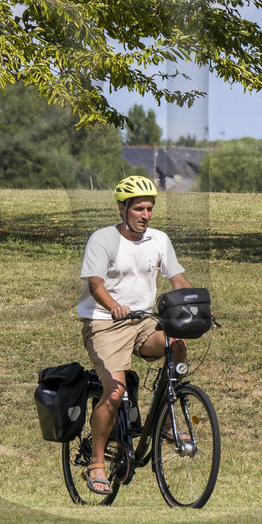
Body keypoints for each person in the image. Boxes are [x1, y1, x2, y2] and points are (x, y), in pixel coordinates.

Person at [76, 174, 194, 495]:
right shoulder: (102, 239)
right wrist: (114, 306)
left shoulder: (159, 240)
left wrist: (197, 303)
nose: (146, 215)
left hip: (144, 322)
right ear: (122, 208)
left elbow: (178, 278)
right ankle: (97, 464)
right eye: (139, 208)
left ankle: (168, 421)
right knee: (113, 395)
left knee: (177, 344)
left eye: (150, 208)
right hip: (105, 323)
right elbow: (96, 285)